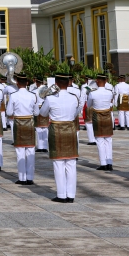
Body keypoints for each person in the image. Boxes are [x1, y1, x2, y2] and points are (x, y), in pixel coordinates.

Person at [40, 74, 82, 203]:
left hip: (56, 129)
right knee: (71, 163)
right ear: (68, 83)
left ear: (56, 83)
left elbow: (42, 113)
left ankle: (61, 194)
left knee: (58, 163)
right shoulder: (74, 97)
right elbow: (76, 112)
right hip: (70, 129)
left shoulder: (51, 99)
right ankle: (70, 195)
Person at [6, 74, 38, 185]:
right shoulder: (33, 95)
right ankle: (30, 177)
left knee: (20, 151)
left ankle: (22, 177)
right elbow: (37, 113)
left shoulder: (14, 96)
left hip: (19, 123)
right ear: (27, 83)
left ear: (17, 83)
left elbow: (9, 112)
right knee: (30, 151)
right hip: (29, 123)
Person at [87, 74, 115, 171]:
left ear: (98, 81)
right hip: (107, 115)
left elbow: (89, 104)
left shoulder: (93, 93)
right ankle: (109, 162)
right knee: (108, 140)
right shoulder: (110, 92)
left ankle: (103, 163)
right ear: (105, 81)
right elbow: (112, 103)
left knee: (99, 140)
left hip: (97, 116)